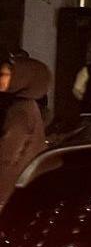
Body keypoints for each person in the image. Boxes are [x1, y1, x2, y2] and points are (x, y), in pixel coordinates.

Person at [0, 58, 52, 211]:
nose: (1, 79)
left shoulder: (20, 110)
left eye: (5, 74)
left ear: (22, 79)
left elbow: (8, 155)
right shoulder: (29, 107)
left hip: (7, 189)